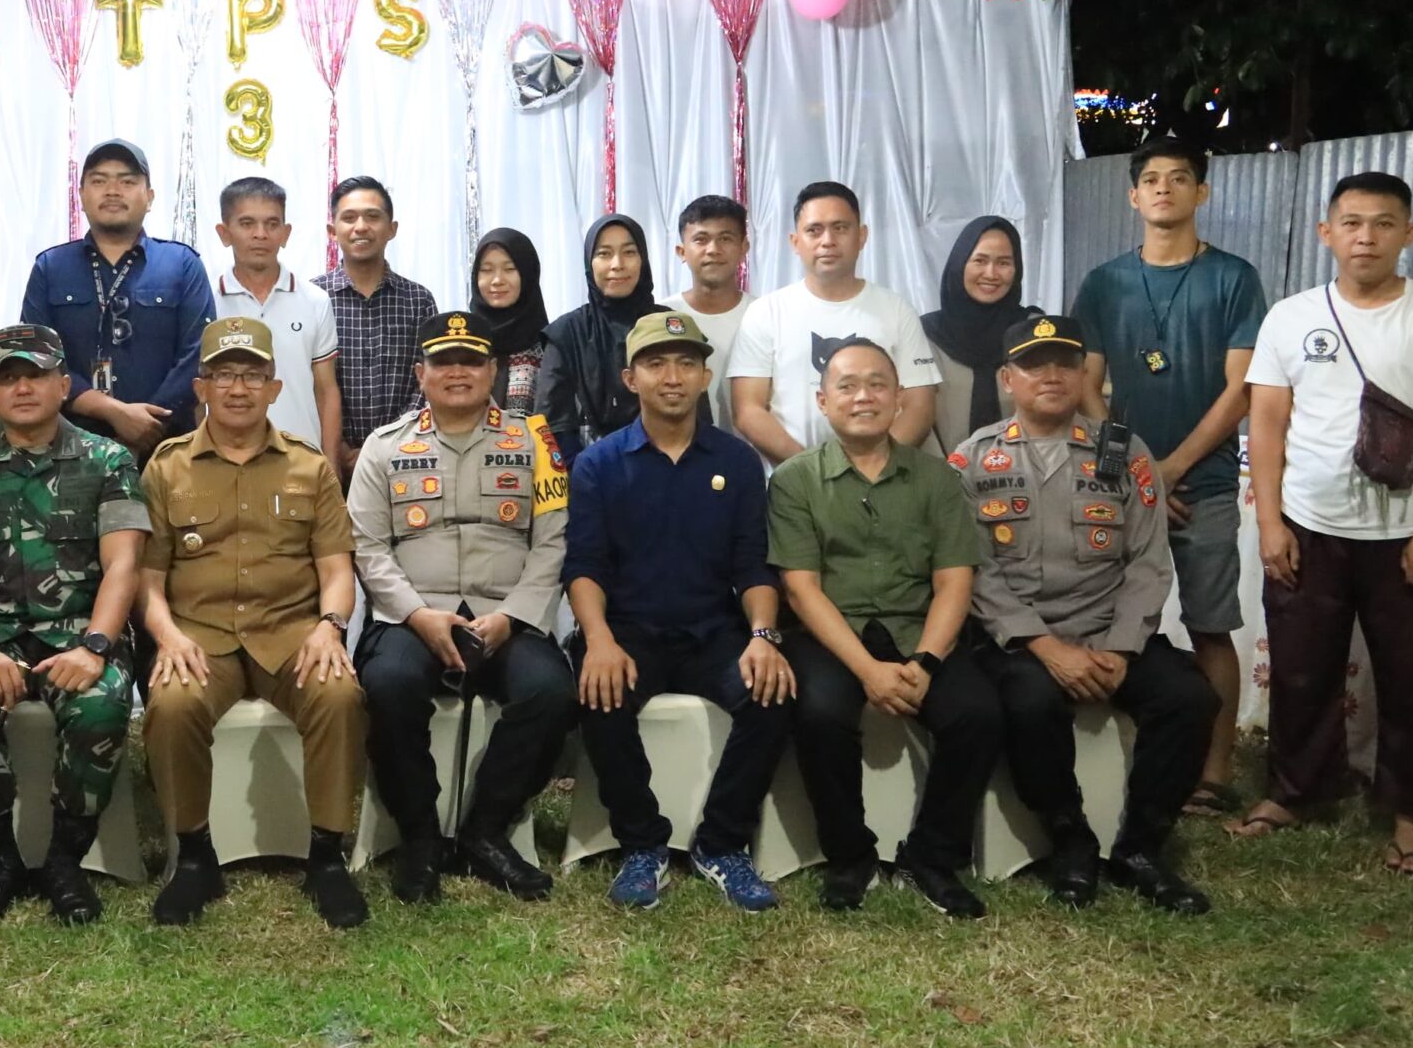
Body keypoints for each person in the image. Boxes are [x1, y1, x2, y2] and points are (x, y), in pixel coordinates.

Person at [1234, 172, 1413, 877]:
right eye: (1350, 223)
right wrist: (1272, 521)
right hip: (1309, 525)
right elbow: (1267, 422)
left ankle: (1412, 814)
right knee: (1301, 665)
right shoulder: (1289, 315)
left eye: (1382, 224)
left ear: (1410, 234)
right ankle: (1296, 789)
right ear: (1326, 233)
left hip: (1410, 530)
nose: (1365, 237)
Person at [955, 313, 1213, 914]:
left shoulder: (1123, 453)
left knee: (1189, 698)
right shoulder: (973, 460)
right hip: (1022, 642)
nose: (1051, 375)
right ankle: (1069, 838)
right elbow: (974, 573)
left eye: (1065, 363)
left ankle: (1142, 849)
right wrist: (1046, 649)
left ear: (1083, 374)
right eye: (1033, 364)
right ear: (1006, 378)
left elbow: (1149, 560)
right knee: (1030, 701)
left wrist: (1123, 649)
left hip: (1108, 631)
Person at [139, 317, 368, 929]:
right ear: (201, 387)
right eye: (223, 375)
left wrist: (330, 624)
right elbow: (147, 579)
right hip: (199, 637)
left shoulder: (309, 466)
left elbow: (336, 568)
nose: (237, 388)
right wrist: (166, 635)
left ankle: (326, 857)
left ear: (274, 386)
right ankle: (194, 857)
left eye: (251, 375)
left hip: (292, 631)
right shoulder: (166, 468)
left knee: (340, 694)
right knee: (171, 705)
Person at [566, 311, 797, 911]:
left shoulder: (739, 463)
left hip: (713, 632)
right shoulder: (598, 464)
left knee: (773, 691)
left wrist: (763, 636)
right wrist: (597, 640)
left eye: (686, 363)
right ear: (630, 377)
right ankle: (642, 846)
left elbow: (754, 565)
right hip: (628, 632)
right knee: (598, 690)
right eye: (656, 363)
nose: (672, 376)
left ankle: (721, 844)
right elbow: (584, 566)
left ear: (704, 376)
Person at [349, 312, 578, 903]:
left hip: (507, 612)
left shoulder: (535, 441)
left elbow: (553, 540)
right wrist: (418, 616)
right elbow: (367, 548)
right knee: (389, 686)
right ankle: (421, 836)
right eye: (444, 361)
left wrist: (514, 616)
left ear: (493, 370)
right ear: (420, 373)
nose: (458, 372)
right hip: (412, 614)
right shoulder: (384, 447)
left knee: (550, 692)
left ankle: (485, 831)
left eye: (472, 360)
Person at [0, 324, 149, 928]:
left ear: (63, 383)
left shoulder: (109, 461)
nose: (22, 387)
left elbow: (123, 564)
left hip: (80, 633)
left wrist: (97, 647)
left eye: (35, 374)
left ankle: (63, 858)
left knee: (102, 705)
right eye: (7, 377)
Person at [771, 340, 1001, 917]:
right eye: (847, 385)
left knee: (977, 713)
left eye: (877, 384)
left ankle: (933, 857)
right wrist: (867, 670)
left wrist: (925, 663)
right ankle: (851, 857)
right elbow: (802, 589)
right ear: (824, 401)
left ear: (900, 399)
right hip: (832, 634)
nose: (863, 396)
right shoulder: (795, 480)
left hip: (919, 629)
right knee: (821, 712)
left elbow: (954, 582)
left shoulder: (937, 480)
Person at [1072, 147, 1267, 819]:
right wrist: (1137, 468)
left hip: (1205, 482)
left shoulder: (1234, 278)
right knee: (1117, 622)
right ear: (1133, 197)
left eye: (1178, 179)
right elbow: (1086, 385)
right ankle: (1125, 761)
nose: (1163, 190)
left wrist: (1172, 467)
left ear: (1201, 192)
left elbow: (1241, 388)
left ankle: (1213, 773)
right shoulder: (1103, 282)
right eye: (1150, 180)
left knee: (1212, 627)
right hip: (1121, 484)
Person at [19, 139, 213, 463]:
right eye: (99, 181)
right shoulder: (50, 268)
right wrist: (113, 412)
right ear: (81, 195)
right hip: (69, 452)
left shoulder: (182, 264)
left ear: (149, 197)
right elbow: (38, 356)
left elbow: (199, 353)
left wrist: (145, 425)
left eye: (127, 181)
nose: (112, 190)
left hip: (168, 452)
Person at [728, 182, 941, 462]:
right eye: (814, 230)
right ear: (795, 242)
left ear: (862, 236)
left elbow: (919, 406)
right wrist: (812, 475)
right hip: (794, 487)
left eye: (840, 228)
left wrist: (870, 469)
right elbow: (748, 410)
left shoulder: (896, 310)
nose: (827, 240)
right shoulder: (765, 312)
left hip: (884, 485)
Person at [315, 175, 440, 484]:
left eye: (373, 216)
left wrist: (383, 447)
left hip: (407, 459)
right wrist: (338, 446)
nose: (361, 226)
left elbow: (427, 381)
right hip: (331, 461)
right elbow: (307, 383)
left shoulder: (418, 300)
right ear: (333, 231)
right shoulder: (313, 299)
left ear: (391, 229)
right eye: (349, 218)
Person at [209, 177, 343, 448]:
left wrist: (329, 466)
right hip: (225, 459)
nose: (261, 234)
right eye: (247, 224)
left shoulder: (315, 300)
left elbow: (326, 391)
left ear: (285, 233)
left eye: (272, 224)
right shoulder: (207, 301)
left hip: (302, 461)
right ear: (224, 233)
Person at [536, 214, 662, 458]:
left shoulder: (667, 325)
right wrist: (587, 477)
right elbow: (552, 426)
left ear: (643, 260)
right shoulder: (567, 332)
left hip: (667, 471)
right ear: (589, 263)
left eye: (629, 252)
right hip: (587, 476)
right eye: (604, 253)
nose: (617, 264)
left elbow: (694, 415)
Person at [921, 216, 1028, 454]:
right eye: (980, 260)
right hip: (943, 479)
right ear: (960, 264)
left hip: (1024, 482)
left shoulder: (1032, 333)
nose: (991, 273)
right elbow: (916, 421)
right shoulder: (925, 336)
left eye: (1003, 263)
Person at [669, 196, 753, 433]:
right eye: (701, 239)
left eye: (725, 239)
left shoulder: (765, 314)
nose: (713, 250)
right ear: (681, 251)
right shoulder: (662, 317)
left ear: (744, 248)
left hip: (758, 461)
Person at [470, 226, 549, 416]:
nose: (497, 280)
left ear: (527, 274)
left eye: (509, 269)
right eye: (487, 270)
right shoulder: (465, 343)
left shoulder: (550, 346)